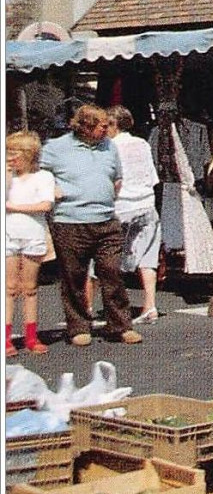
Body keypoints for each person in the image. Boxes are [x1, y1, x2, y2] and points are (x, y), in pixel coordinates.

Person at [40, 104, 141, 347]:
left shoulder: (109, 146)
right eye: (101, 127)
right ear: (84, 127)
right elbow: (37, 172)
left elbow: (117, 178)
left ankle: (120, 325)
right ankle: (78, 327)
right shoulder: (56, 148)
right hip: (70, 221)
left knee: (112, 271)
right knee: (74, 276)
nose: (107, 131)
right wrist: (49, 187)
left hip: (106, 219)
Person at [106, 107, 162, 325]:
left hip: (121, 206)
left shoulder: (109, 147)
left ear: (114, 125)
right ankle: (150, 305)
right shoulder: (143, 144)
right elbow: (152, 177)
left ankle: (105, 307)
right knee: (147, 257)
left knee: (106, 257)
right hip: (146, 203)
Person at [6, 132, 57, 355]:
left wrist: (14, 207)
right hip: (7, 236)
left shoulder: (43, 177)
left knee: (29, 288)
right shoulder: (7, 177)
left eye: (14, 153)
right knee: (9, 288)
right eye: (8, 152)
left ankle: (31, 337)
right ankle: (6, 338)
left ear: (28, 154)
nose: (9, 157)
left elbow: (45, 205)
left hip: (33, 235)